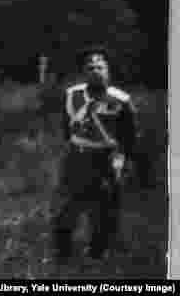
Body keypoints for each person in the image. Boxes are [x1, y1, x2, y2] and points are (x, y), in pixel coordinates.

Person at [54, 45, 137, 263]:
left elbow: (129, 137)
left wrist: (122, 160)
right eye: (90, 67)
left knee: (104, 210)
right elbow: (66, 127)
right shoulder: (72, 95)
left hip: (106, 159)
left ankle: (97, 256)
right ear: (84, 71)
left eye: (100, 67)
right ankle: (63, 256)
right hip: (78, 156)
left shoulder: (121, 100)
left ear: (108, 71)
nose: (95, 71)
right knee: (66, 207)